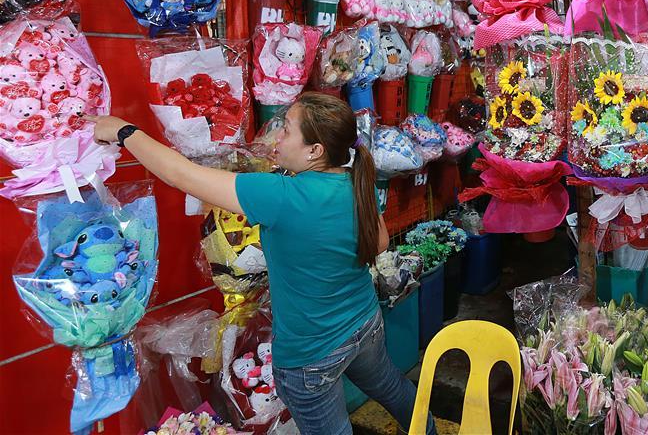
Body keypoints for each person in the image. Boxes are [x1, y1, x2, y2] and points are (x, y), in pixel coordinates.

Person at [88, 92, 435, 435]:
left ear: (314, 151)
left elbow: (182, 175)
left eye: (286, 130)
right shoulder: (352, 179)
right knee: (392, 388)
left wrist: (124, 131)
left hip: (311, 354)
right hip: (363, 322)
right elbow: (380, 242)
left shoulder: (280, 195)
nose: (276, 136)